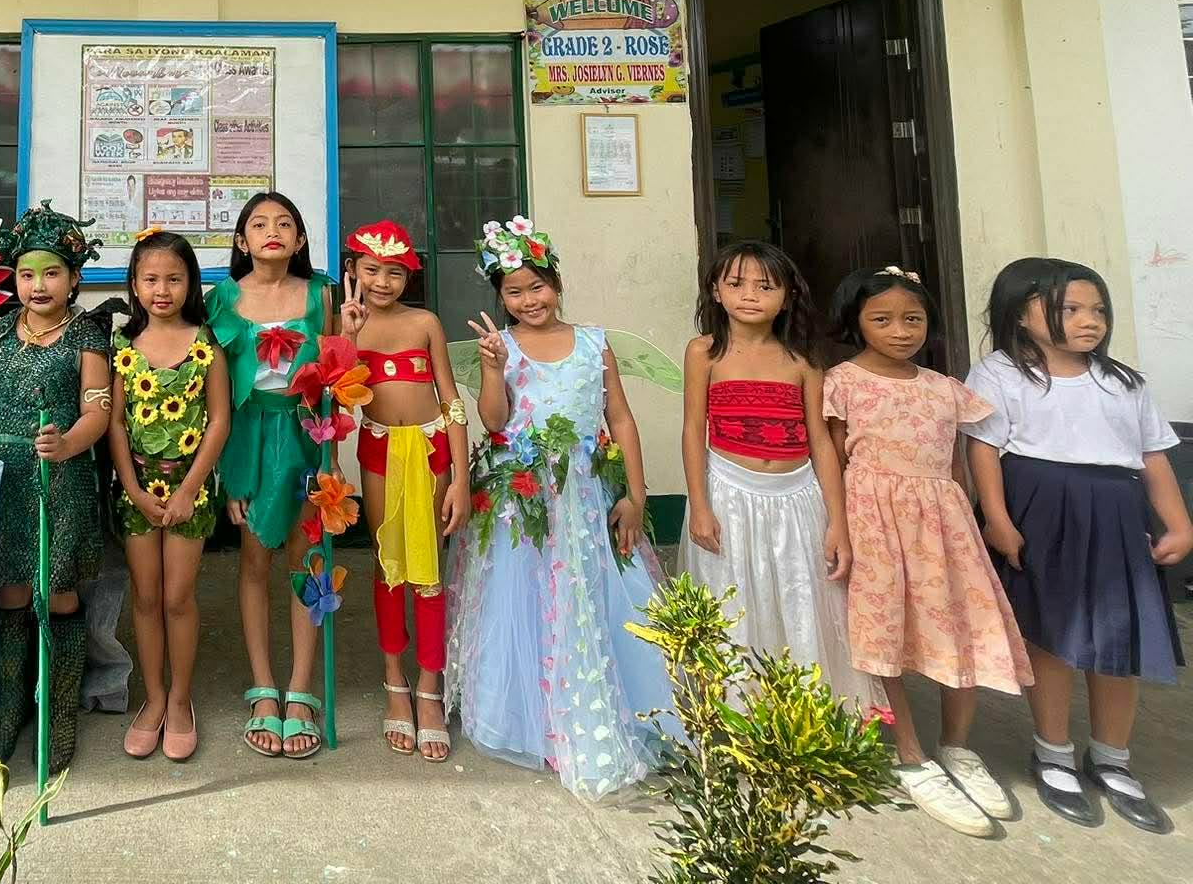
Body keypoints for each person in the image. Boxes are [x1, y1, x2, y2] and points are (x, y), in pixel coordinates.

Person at [445, 217, 670, 799]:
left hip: (588, 493)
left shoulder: (596, 342)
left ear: (557, 283)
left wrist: (635, 493)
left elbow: (619, 418)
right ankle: (538, 722)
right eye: (514, 291)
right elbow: (495, 422)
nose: (529, 300)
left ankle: (610, 709)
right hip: (524, 495)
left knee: (594, 594)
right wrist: (493, 369)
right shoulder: (504, 347)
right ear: (499, 297)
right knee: (525, 603)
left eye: (537, 286)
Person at [965, 257, 1189, 833]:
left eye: (1098, 309)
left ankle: (1113, 759)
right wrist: (995, 517)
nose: (1090, 320)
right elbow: (984, 450)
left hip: (1116, 514)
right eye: (1069, 308)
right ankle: (1054, 751)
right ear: (1022, 312)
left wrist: (1179, 524)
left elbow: (1153, 458)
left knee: (1120, 638)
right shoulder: (1000, 374)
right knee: (1053, 637)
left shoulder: (1122, 382)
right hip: (1041, 513)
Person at [823, 266, 1029, 838]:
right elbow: (834, 462)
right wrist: (838, 526)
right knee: (886, 630)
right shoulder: (840, 381)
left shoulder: (945, 388)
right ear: (856, 322)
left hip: (944, 520)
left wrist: (978, 515)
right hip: (873, 518)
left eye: (912, 318)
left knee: (961, 624)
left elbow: (959, 462)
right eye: (882, 319)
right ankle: (910, 754)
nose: (900, 330)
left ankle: (958, 747)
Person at [680, 241, 871, 707]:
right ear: (716, 291)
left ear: (787, 297)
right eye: (736, 283)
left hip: (797, 497)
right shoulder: (704, 352)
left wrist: (837, 521)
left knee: (799, 598)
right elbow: (692, 429)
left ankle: (805, 721)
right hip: (727, 492)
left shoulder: (804, 359)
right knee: (735, 601)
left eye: (765, 286)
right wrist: (700, 507)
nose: (750, 295)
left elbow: (821, 440)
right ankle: (735, 719)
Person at [0, 202, 112, 774]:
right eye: (27, 274)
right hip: (3, 480)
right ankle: (7, 706)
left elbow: (98, 408)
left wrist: (71, 443)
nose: (38, 285)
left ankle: (59, 706)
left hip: (61, 479)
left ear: (74, 278)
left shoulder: (87, 336)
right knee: (11, 591)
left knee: (58, 590)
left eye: (51, 273)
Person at [205, 191, 335, 759]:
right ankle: (263, 689)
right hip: (247, 436)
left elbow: (338, 375)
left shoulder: (322, 295)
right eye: (259, 224)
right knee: (255, 561)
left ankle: (302, 688)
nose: (273, 231)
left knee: (308, 562)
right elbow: (214, 388)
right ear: (242, 241)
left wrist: (333, 459)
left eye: (286, 223)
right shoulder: (221, 298)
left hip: (307, 436)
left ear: (301, 241)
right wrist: (226, 471)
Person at [339, 220, 470, 762]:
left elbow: (451, 397)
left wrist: (461, 476)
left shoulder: (425, 323)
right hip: (378, 452)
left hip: (434, 450)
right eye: (372, 270)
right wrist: (345, 335)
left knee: (430, 568)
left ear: (408, 276)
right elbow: (332, 396)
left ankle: (430, 688)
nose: (383, 282)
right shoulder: (347, 324)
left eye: (395, 272)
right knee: (388, 562)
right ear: (354, 272)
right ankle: (395, 683)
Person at [108, 229, 229, 762]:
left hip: (189, 492)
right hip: (136, 492)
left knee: (178, 598)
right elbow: (112, 423)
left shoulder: (206, 345)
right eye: (151, 279)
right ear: (134, 284)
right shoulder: (120, 348)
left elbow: (220, 421)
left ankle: (181, 699)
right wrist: (132, 487)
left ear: (191, 284)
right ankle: (152, 699)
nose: (162, 290)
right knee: (147, 597)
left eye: (174, 279)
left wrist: (188, 490)